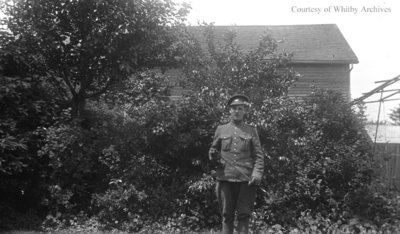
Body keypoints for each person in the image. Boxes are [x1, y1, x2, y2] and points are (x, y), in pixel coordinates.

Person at [209, 94, 264, 234]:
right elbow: (213, 150)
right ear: (229, 110)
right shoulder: (221, 129)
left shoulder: (251, 130)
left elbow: (258, 156)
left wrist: (257, 174)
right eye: (234, 108)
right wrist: (214, 157)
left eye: (240, 108)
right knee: (227, 216)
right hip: (225, 179)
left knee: (244, 216)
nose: (237, 111)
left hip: (245, 180)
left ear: (245, 111)